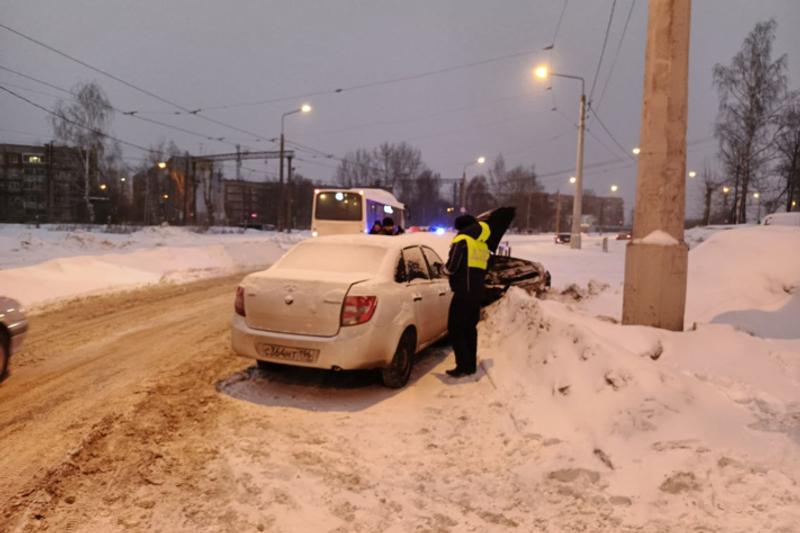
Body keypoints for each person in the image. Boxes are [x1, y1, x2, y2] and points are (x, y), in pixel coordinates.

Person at [442, 214, 491, 377]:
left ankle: (461, 366)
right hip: (477, 293)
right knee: (470, 329)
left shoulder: (462, 241)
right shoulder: (482, 244)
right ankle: (470, 366)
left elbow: (451, 267)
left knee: (455, 329)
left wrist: (441, 269)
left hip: (462, 293)